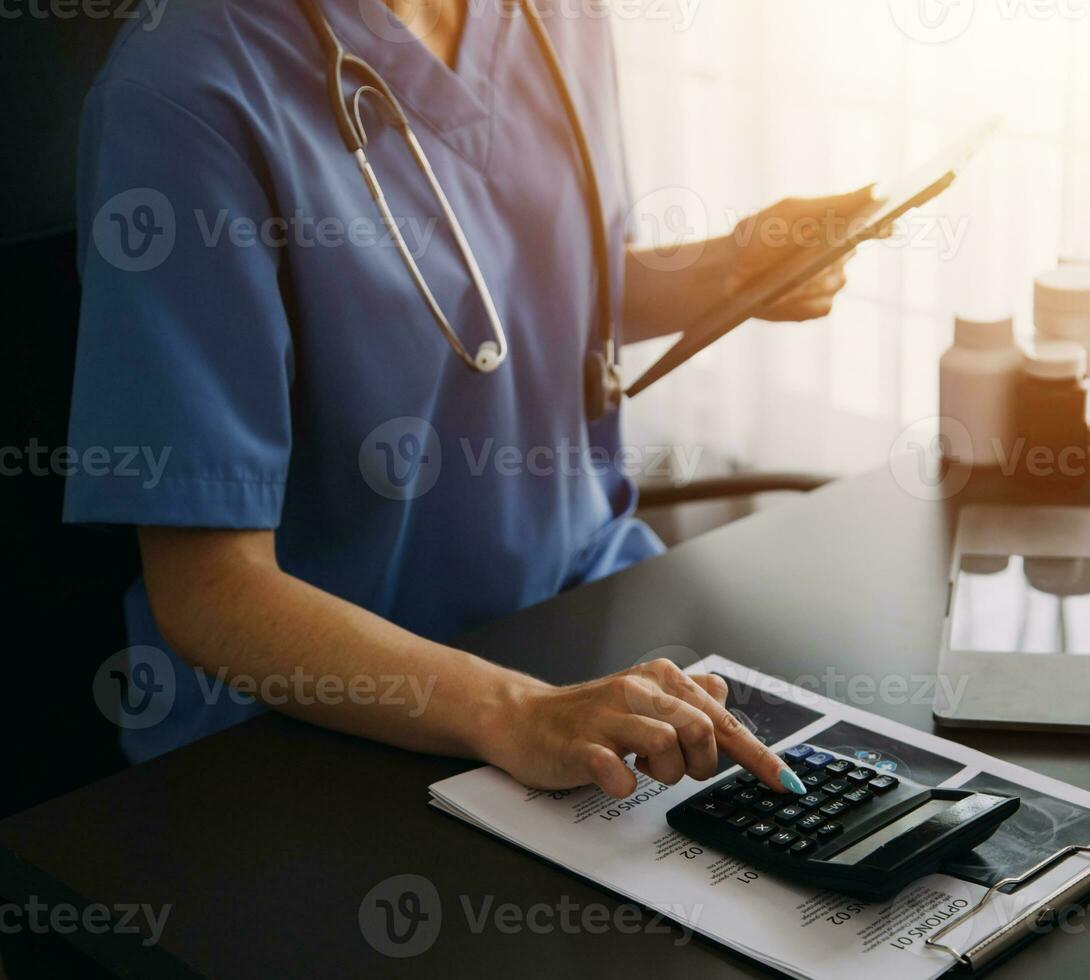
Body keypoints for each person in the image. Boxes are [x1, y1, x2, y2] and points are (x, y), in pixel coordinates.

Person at [66, 0, 874, 799]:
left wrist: (725, 270)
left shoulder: (557, 17)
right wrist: (517, 711)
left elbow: (517, 284)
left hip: (580, 619)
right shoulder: (183, 91)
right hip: (312, 729)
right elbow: (209, 593)